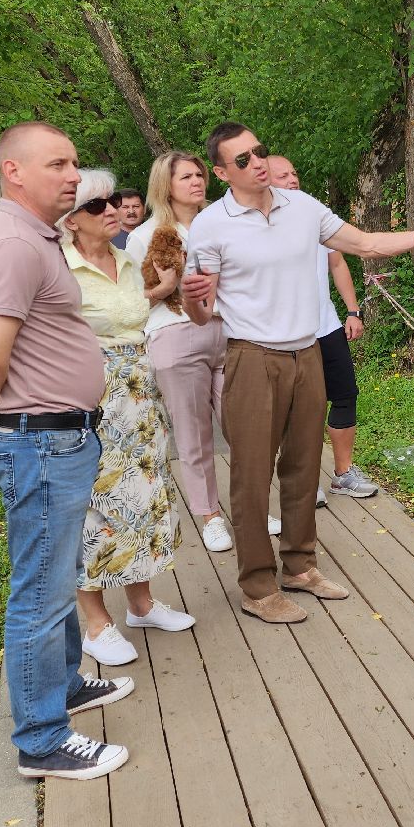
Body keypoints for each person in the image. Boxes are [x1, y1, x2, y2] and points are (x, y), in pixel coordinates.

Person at [180, 122, 414, 624]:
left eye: (260, 151)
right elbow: (203, 313)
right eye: (242, 160)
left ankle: (299, 566)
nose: (258, 163)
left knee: (301, 465)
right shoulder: (211, 225)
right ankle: (258, 587)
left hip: (307, 352)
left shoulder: (303, 208)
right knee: (251, 475)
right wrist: (193, 304)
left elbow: (366, 245)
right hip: (251, 357)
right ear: (223, 172)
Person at [0, 121, 130, 781]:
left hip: (56, 439)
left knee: (59, 573)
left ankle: (66, 686)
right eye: (58, 163)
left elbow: (14, 354)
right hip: (41, 444)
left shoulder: (34, 238)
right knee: (41, 595)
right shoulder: (11, 248)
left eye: (75, 162)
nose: (74, 175)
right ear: (14, 172)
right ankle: (42, 741)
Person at [61, 168, 196, 666]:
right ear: (71, 220)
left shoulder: (124, 259)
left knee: (145, 495)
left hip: (140, 394)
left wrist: (164, 288)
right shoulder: (58, 267)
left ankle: (141, 603)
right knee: (96, 504)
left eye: (113, 201)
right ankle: (96, 623)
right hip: (89, 397)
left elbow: (129, 315)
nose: (112, 210)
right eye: (98, 206)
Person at [125, 154, 235, 553]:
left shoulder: (223, 223)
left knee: (243, 428)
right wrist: (166, 285)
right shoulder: (146, 235)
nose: (196, 181)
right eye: (185, 176)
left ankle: (248, 506)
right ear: (165, 186)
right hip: (175, 333)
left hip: (230, 331)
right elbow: (131, 297)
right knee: (194, 434)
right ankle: (210, 516)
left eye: (199, 174)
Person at [266, 155, 378, 501]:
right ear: (264, 181)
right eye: (283, 175)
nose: (292, 179)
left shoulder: (315, 216)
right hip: (286, 334)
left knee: (345, 395)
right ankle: (303, 481)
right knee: (295, 408)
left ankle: (343, 474)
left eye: (294, 172)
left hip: (326, 326)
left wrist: (353, 311)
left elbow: (338, 262)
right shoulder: (259, 225)